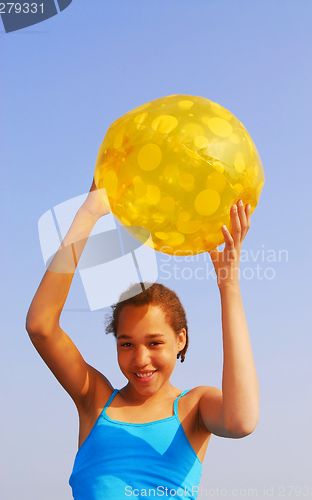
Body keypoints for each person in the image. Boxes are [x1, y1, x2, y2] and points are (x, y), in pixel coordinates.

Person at [26, 179, 259, 499]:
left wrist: (229, 289)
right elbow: (41, 326)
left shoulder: (194, 407)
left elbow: (241, 421)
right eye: (126, 343)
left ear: (180, 340)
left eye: (155, 342)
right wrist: (90, 212)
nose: (140, 358)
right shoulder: (94, 399)